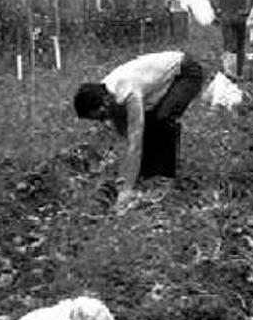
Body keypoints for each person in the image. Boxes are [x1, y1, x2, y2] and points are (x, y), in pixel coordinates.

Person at [73, 50, 204, 209]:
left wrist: (126, 189)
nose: (104, 120)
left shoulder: (128, 92)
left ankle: (165, 178)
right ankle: (147, 175)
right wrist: (123, 174)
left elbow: (135, 143)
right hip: (158, 82)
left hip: (185, 72)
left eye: (102, 116)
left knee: (163, 119)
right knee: (149, 124)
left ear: (105, 103)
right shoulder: (102, 93)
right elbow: (124, 136)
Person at [210, 0, 253, 79]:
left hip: (225, 16)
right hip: (240, 17)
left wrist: (217, 8)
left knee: (228, 44)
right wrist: (246, 10)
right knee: (240, 45)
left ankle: (228, 71)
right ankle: (239, 72)